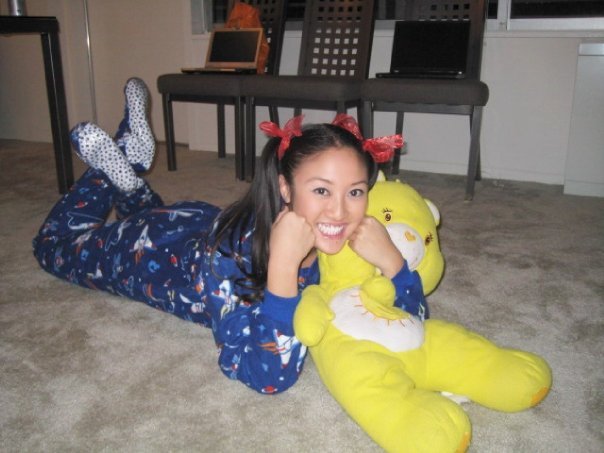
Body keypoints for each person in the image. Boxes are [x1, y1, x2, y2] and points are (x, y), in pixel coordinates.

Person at [32, 78, 427, 394]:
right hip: (147, 251)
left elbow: (411, 331)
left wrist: (395, 264)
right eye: (321, 190)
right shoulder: (235, 258)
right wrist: (283, 268)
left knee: (142, 210)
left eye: (355, 192)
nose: (340, 212)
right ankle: (115, 164)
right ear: (285, 188)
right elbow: (265, 375)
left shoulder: (349, 239)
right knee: (52, 245)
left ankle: (130, 169)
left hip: (190, 219)